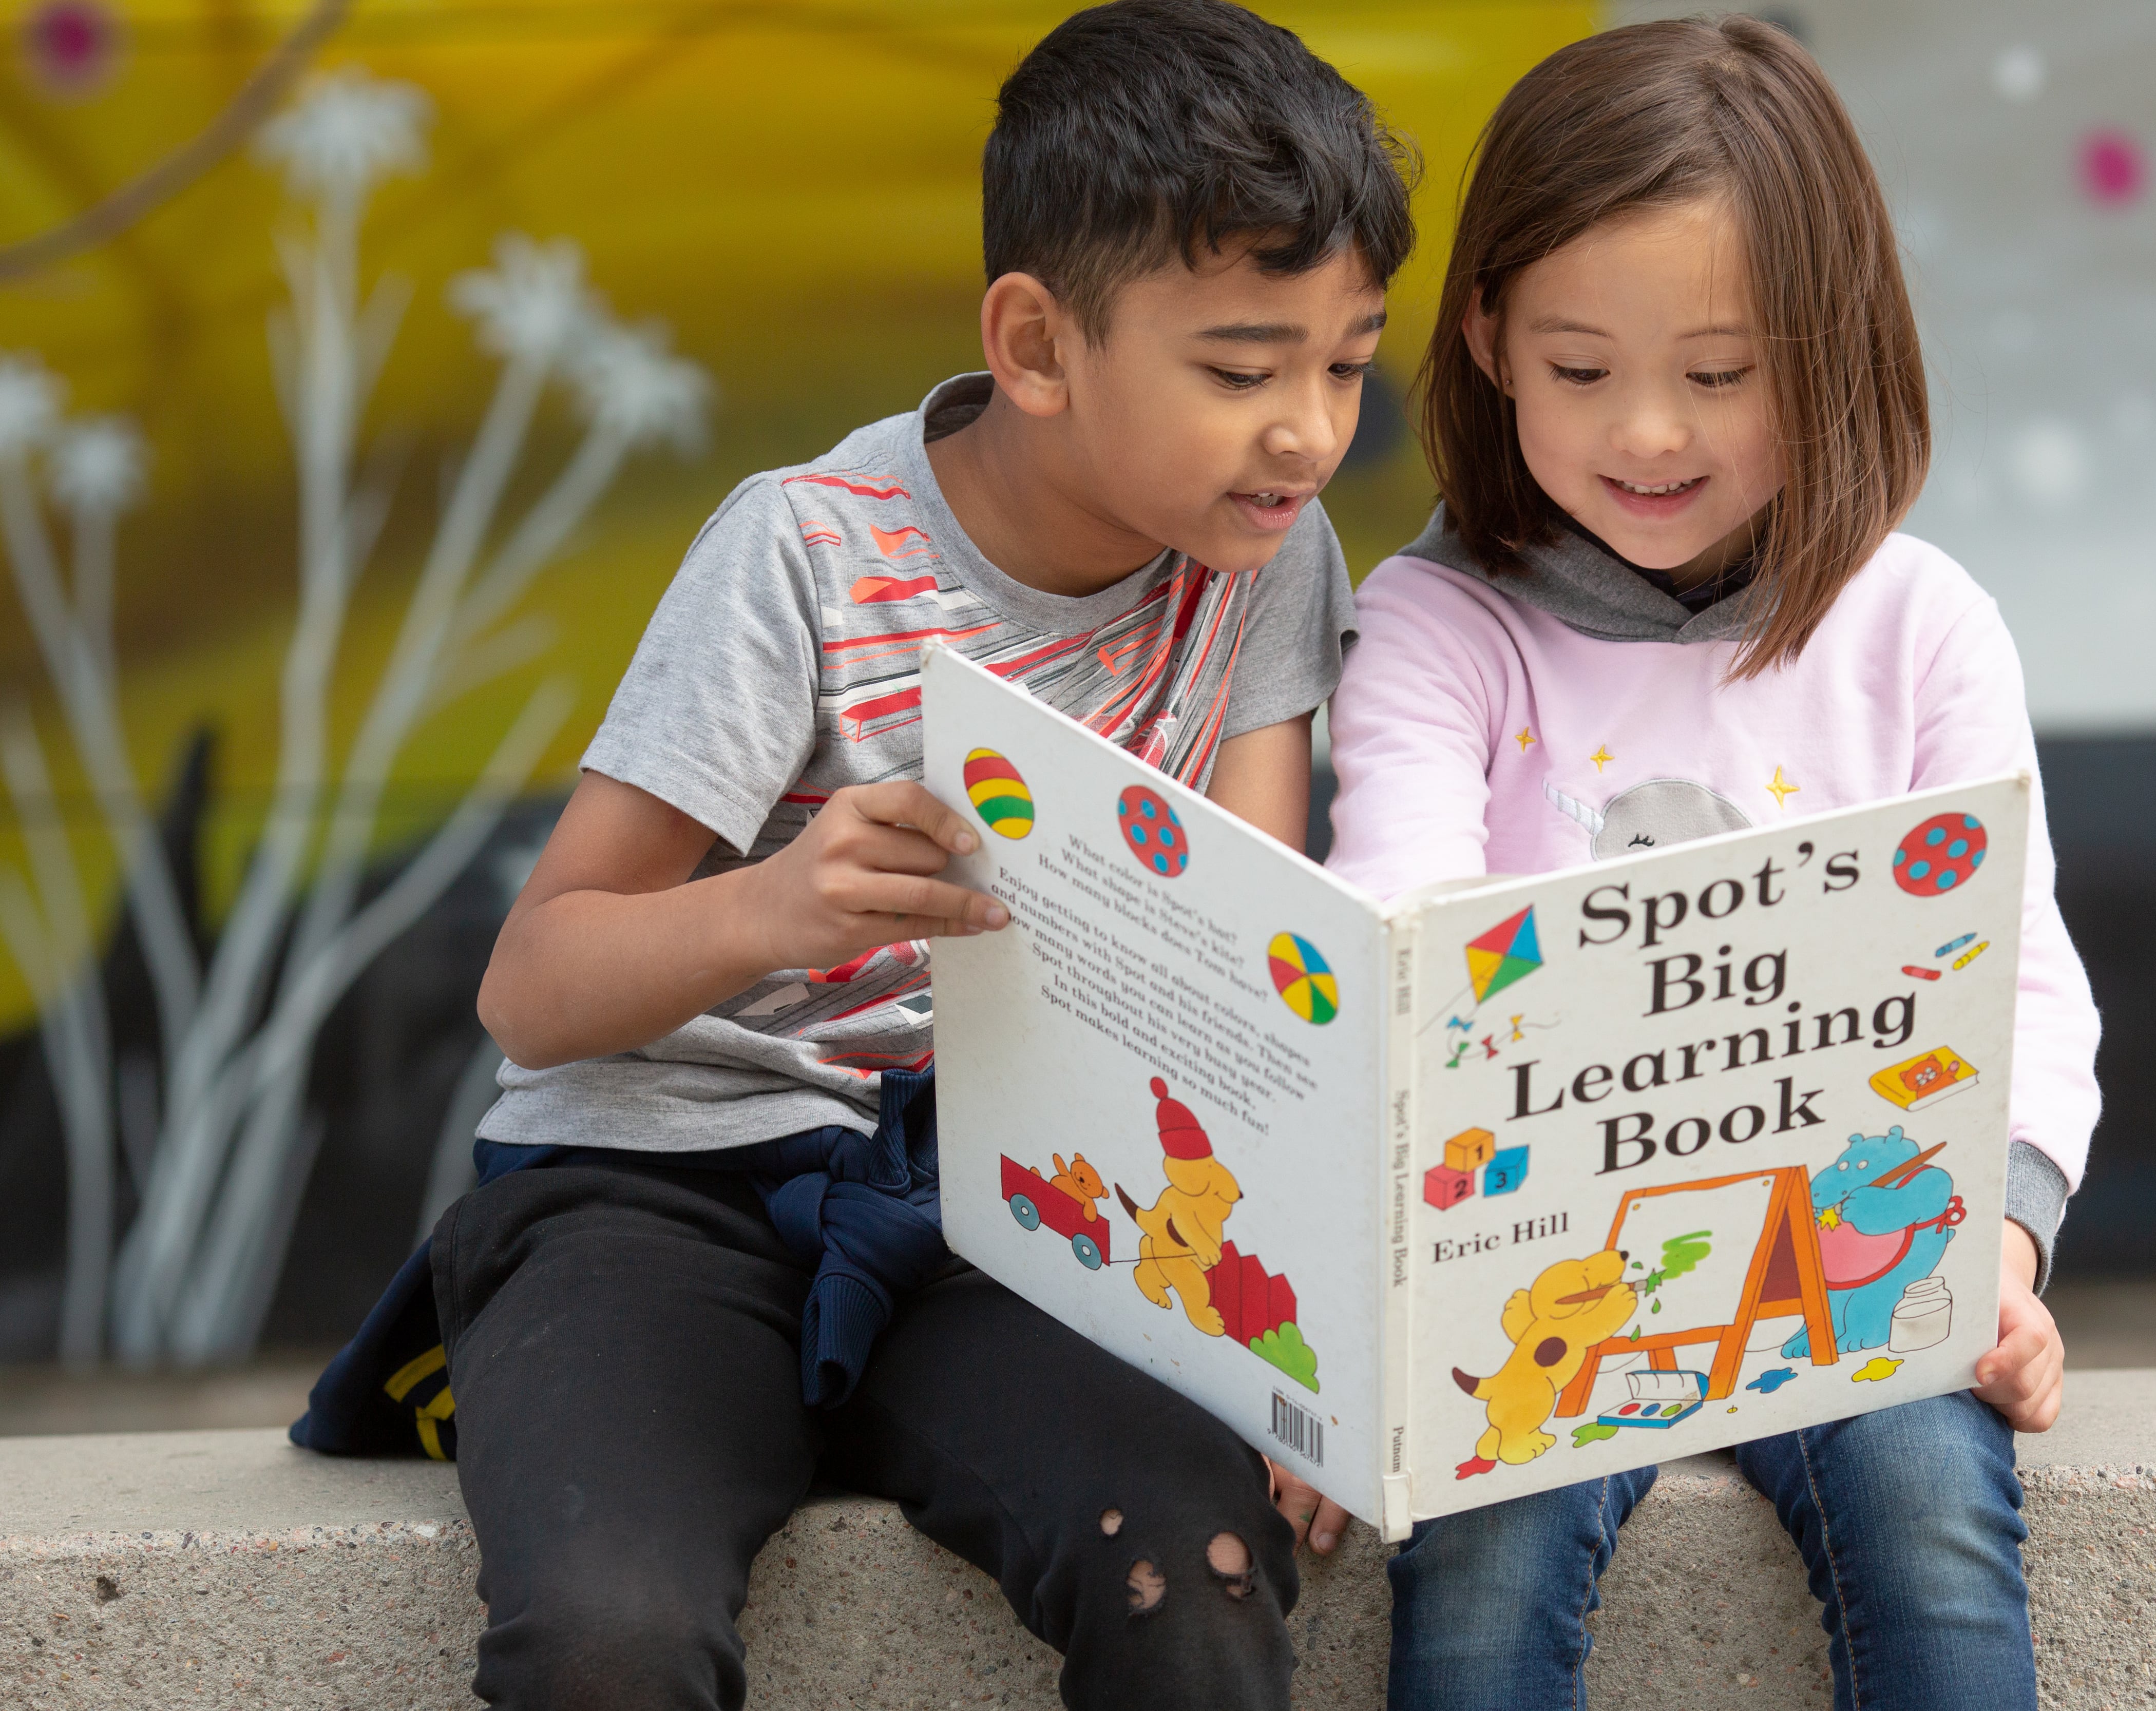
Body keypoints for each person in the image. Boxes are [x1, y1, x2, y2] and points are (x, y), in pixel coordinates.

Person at [296, 5, 1413, 1707]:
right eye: (1244, 370)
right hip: (659, 1188)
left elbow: (1256, 987)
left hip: (1016, 1210)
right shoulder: (805, 556)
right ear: (1038, 346)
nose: (1309, 435)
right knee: (611, 1632)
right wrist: (778, 905)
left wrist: (1310, 1370)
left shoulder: (1263, 554)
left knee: (1195, 1565)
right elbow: (534, 988)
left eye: (1347, 363)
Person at [1319, 17, 2101, 1711]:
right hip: (1545, 1277)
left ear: (1830, 352)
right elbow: (1402, 923)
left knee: (1934, 1523)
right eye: (1582, 370)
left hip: (1857, 1255)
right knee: (1480, 1565)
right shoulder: (1440, 627)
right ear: (1489, 340)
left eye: (1723, 374)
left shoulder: (1915, 622)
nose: (1651, 433)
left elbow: (2017, 975)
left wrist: (1997, 1255)